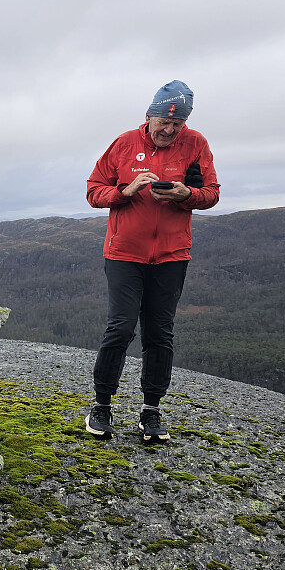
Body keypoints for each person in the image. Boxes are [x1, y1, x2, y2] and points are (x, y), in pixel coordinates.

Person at [84, 80, 220, 443]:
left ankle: (151, 411)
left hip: (172, 255)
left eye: (176, 124)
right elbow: (93, 191)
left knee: (160, 333)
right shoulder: (124, 143)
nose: (169, 129)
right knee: (121, 328)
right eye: (163, 121)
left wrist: (186, 194)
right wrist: (124, 192)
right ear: (149, 116)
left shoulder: (196, 144)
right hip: (124, 253)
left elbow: (211, 194)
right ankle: (101, 406)